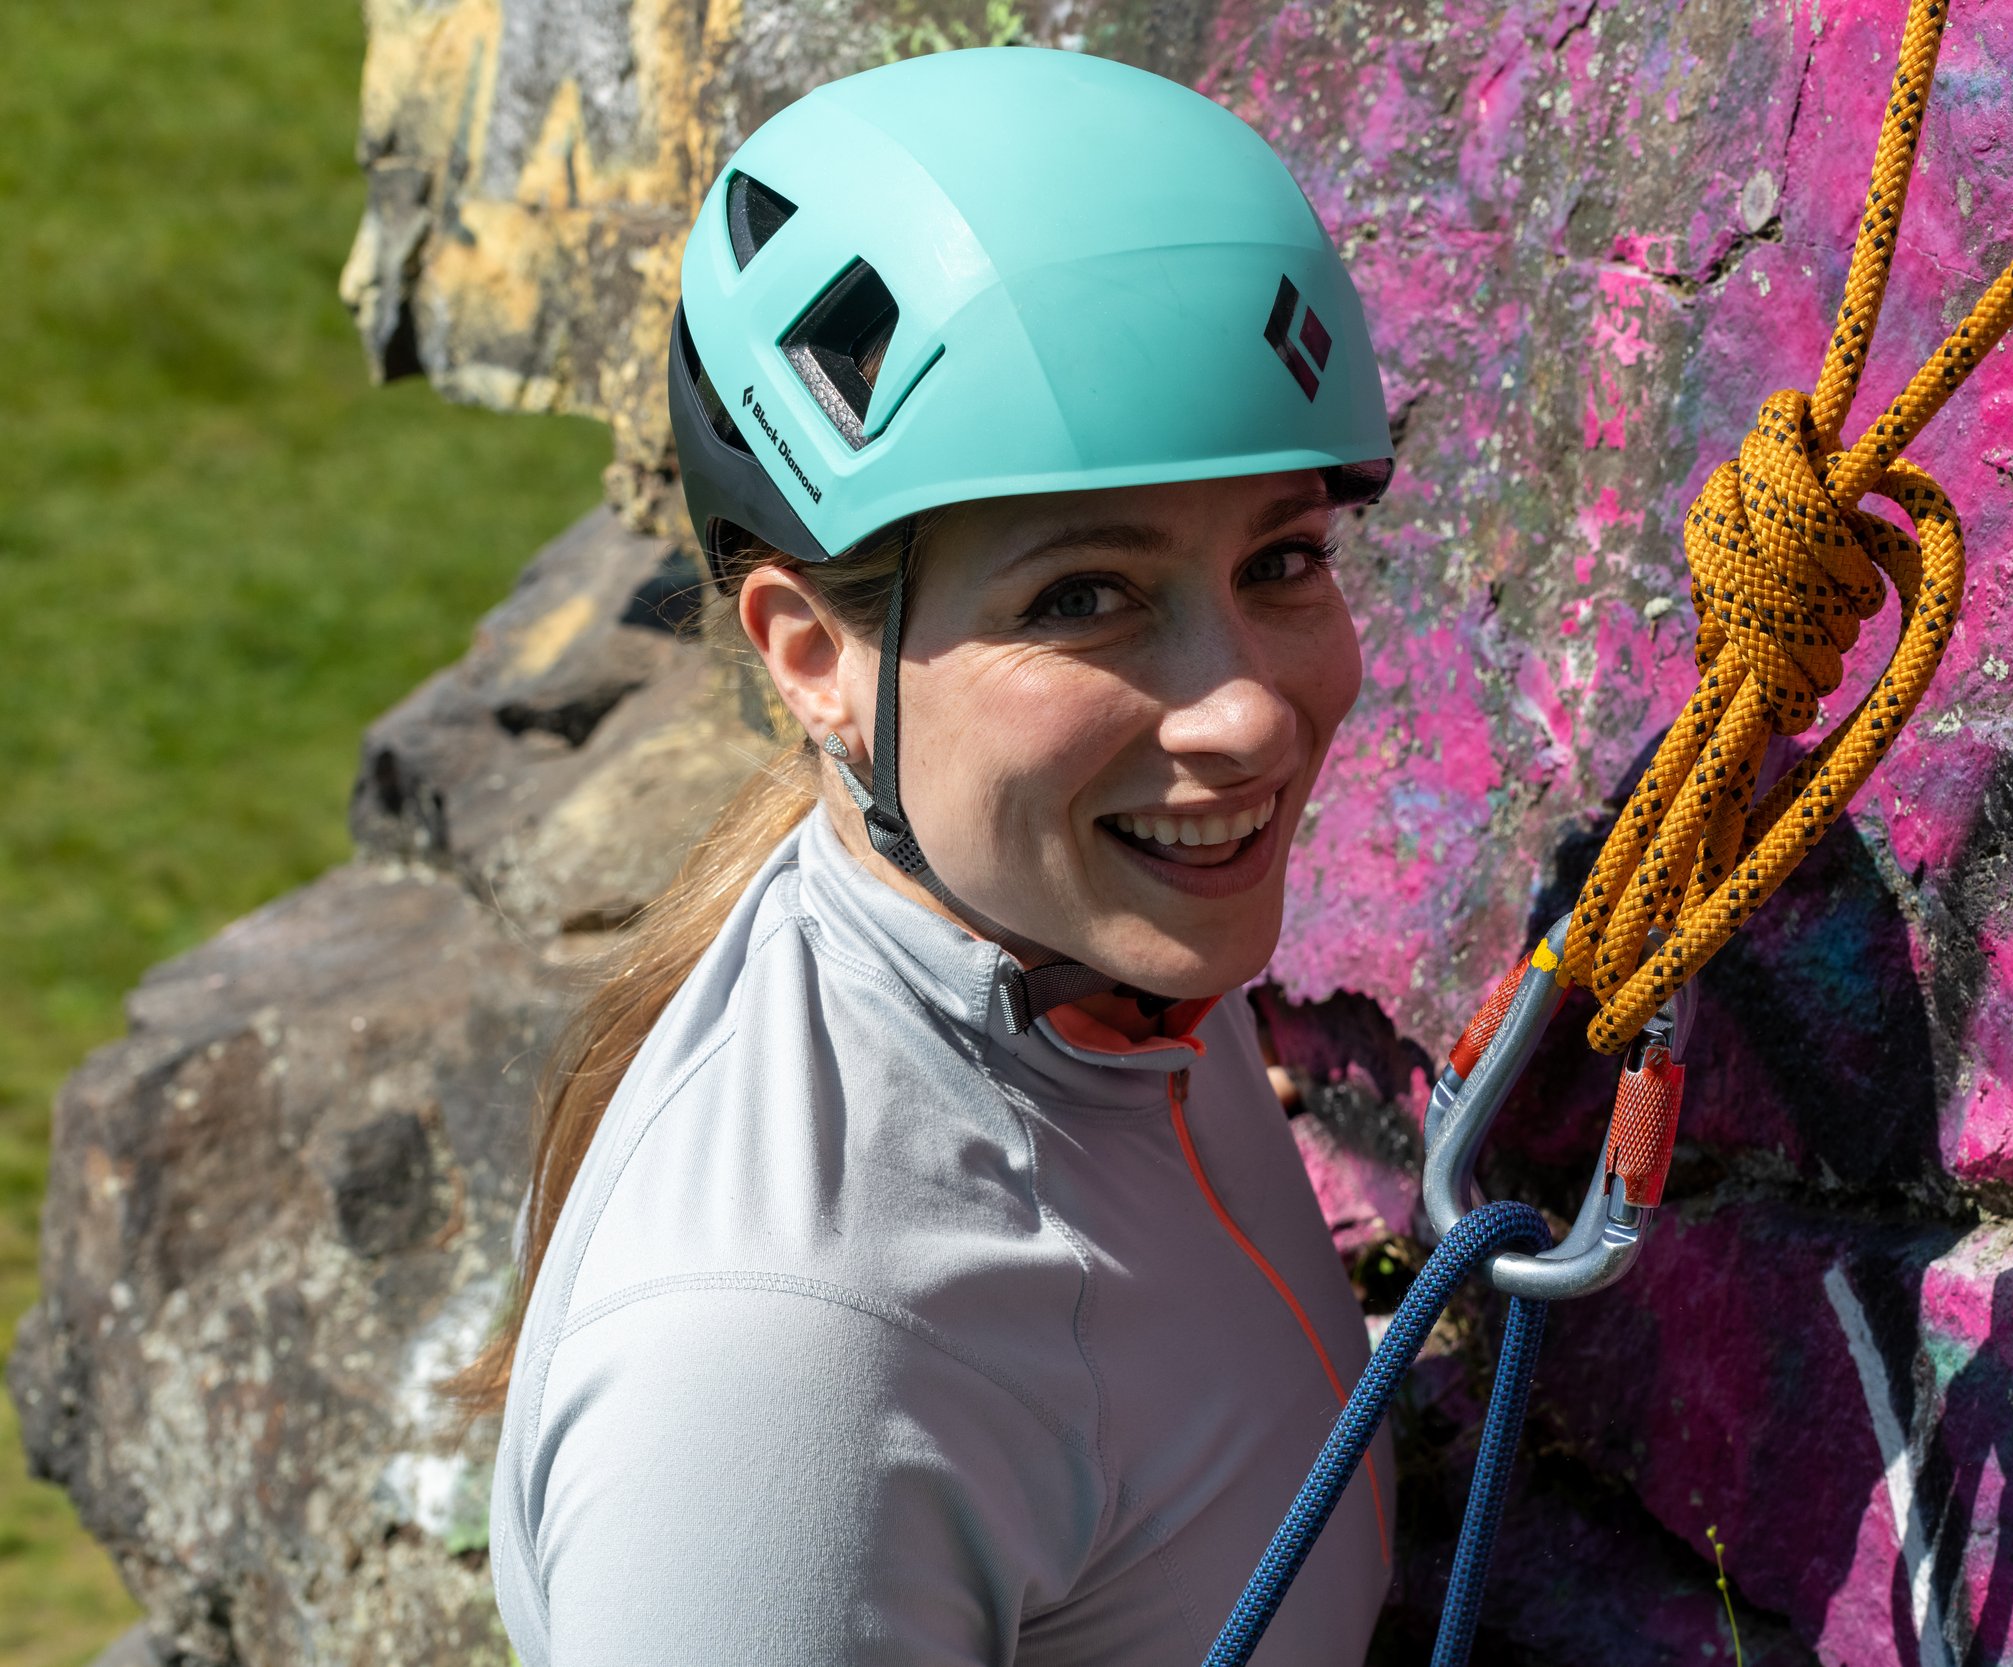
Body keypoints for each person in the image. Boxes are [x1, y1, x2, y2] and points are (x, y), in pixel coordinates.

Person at [456, 45, 1402, 1666]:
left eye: (1285, 557)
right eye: (1081, 598)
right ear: (812, 654)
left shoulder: (1082, 958)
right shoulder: (782, 1374)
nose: (1245, 711)